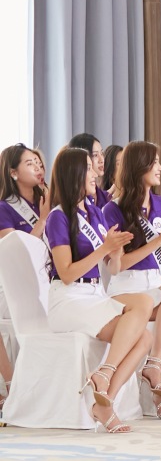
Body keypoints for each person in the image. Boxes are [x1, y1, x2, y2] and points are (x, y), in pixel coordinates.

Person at [44, 147, 151, 433]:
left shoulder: (94, 212)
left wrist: (114, 251)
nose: (95, 174)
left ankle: (105, 397)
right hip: (68, 300)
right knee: (141, 323)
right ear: (74, 174)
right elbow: (67, 273)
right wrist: (105, 248)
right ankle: (105, 380)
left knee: (145, 334)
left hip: (94, 296)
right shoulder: (58, 217)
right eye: (89, 169)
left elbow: (113, 268)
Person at [102, 141, 161, 419]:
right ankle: (160, 386)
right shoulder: (113, 210)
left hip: (152, 286)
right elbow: (117, 266)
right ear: (138, 166)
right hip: (126, 290)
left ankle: (158, 374)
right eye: (154, 163)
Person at [0, 143, 51, 411]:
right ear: (13, 173)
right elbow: (14, 254)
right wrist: (42, 221)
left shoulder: (49, 200)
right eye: (30, 164)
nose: (38, 168)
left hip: (49, 280)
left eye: (39, 163)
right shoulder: (4, 208)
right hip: (16, 285)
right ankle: (12, 384)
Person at [68, 133, 111, 209]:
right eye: (95, 155)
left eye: (102, 153)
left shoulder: (107, 197)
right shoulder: (71, 204)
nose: (102, 160)